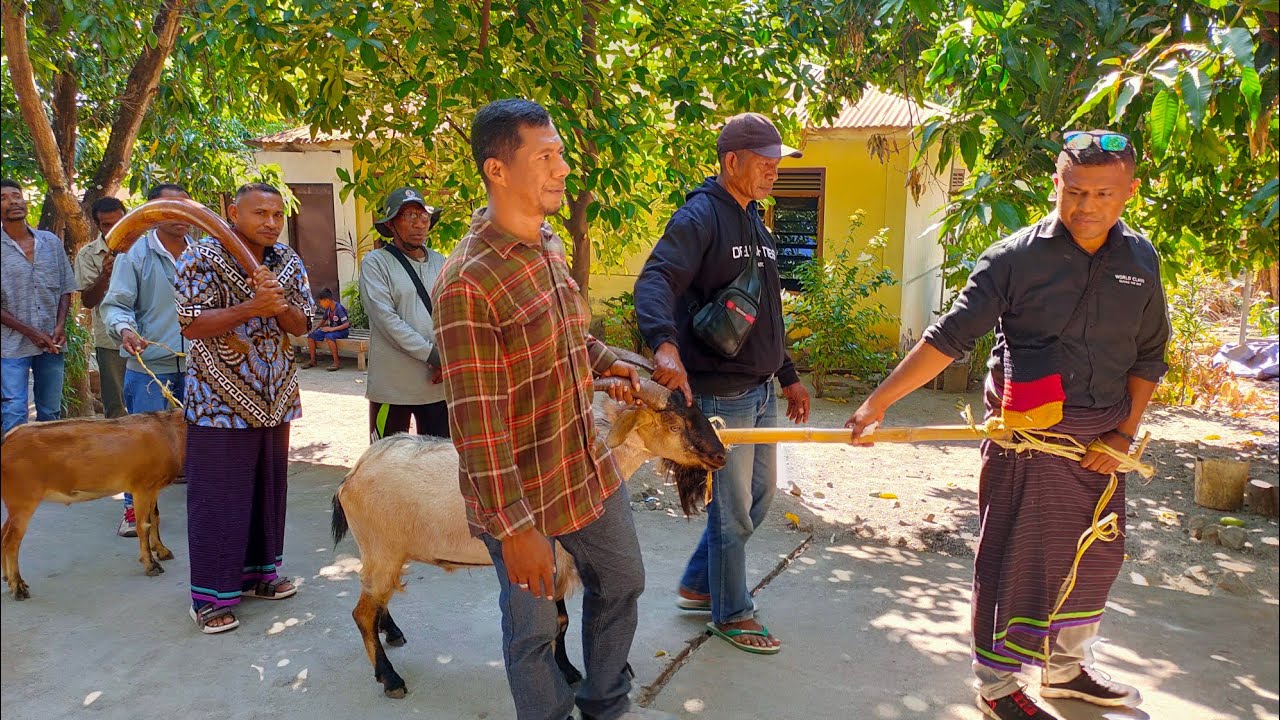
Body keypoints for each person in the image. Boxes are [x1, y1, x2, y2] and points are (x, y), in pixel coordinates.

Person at [845, 130, 1169, 720]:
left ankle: (1067, 671)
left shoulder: (1140, 260)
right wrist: (878, 402)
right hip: (1031, 443)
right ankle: (997, 687)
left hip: (1102, 448)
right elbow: (948, 338)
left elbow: (1149, 355)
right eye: (1074, 191)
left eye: (1103, 193)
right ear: (1056, 185)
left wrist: (1122, 437)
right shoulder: (1015, 258)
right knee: (1016, 562)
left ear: (1129, 193)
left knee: (1093, 560)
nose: (1086, 207)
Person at [433, 98, 668, 720]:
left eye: (560, 153)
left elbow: (570, 342)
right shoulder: (467, 283)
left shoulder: (550, 246)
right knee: (534, 631)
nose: (562, 168)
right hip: (518, 494)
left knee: (623, 582)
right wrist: (513, 531)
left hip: (582, 466)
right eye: (546, 156)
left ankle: (604, 704)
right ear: (498, 170)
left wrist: (617, 363)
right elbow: (476, 426)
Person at [633, 112, 811, 655]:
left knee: (759, 498)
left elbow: (767, 308)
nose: (773, 171)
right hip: (718, 395)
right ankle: (731, 611)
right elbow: (656, 278)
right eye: (764, 162)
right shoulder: (701, 216)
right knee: (732, 512)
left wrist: (789, 376)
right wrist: (664, 342)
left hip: (759, 392)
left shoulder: (755, 220)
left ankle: (697, 582)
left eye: (777, 163)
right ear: (731, 161)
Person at [174, 182, 315, 634]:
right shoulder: (199, 257)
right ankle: (210, 597)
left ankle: (260, 576)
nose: (270, 222)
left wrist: (279, 309)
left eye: (277, 214)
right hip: (219, 402)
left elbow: (301, 324)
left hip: (274, 397)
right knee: (218, 498)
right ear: (232, 211)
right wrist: (252, 305)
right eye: (259, 213)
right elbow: (192, 324)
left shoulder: (288, 261)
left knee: (266, 494)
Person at [100, 183, 194, 537]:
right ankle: (133, 511)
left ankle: (205, 508)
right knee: (143, 446)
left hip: (199, 367)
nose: (181, 214)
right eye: (171, 207)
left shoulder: (201, 253)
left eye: (186, 207)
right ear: (153, 212)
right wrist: (125, 330)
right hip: (151, 368)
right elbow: (116, 305)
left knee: (200, 441)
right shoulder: (135, 253)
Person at [359, 187, 448, 439]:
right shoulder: (376, 263)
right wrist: (433, 354)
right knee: (386, 464)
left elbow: (451, 312)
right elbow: (386, 320)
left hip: (436, 387)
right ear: (391, 224)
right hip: (392, 387)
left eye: (423, 217)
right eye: (409, 216)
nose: (418, 224)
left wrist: (447, 357)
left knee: (436, 462)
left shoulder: (440, 261)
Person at [0, 179, 76, 436]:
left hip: (52, 342)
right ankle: (15, 470)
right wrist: (31, 332)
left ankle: (48, 469)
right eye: (4, 198)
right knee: (14, 409)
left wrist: (60, 325)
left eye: (16, 195)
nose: (13, 201)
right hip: (11, 346)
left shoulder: (50, 242)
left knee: (50, 411)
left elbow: (65, 287)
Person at [74, 196, 129, 420]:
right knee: (116, 408)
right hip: (111, 342)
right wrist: (104, 275)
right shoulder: (88, 255)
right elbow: (87, 300)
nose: (115, 228)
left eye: (120, 221)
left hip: (150, 338)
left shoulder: (145, 248)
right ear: (98, 225)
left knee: (153, 403)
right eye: (107, 224)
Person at [302, 287, 350, 371]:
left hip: (342, 331)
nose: (321, 304)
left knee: (329, 336)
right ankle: (313, 361)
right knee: (311, 336)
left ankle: (336, 362)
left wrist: (331, 329)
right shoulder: (328, 309)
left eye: (321, 302)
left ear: (327, 301)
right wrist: (315, 329)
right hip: (331, 330)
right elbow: (323, 320)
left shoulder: (338, 308)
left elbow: (346, 324)